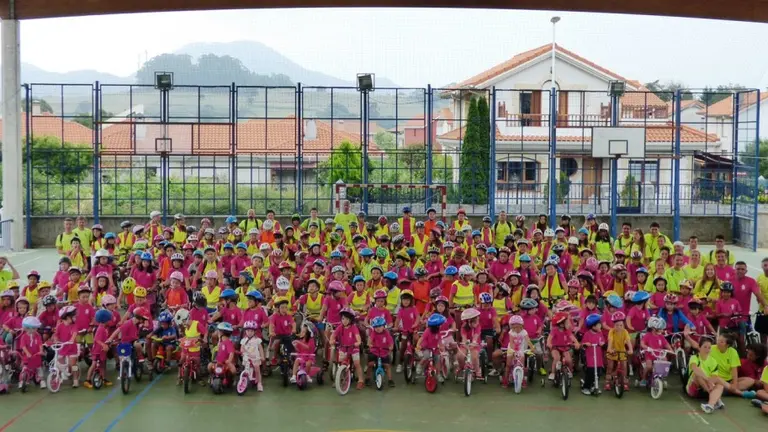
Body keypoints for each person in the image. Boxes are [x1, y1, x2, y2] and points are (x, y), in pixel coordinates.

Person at [709, 333, 756, 399]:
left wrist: (734, 384)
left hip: (728, 380)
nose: (718, 343)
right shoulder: (711, 349)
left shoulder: (733, 352)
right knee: (717, 379)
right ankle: (740, 393)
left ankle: (727, 390)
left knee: (751, 381)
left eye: (721, 342)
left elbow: (734, 370)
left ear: (727, 345)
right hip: (716, 379)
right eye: (718, 340)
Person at [687, 337, 726, 414]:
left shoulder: (713, 361)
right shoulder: (694, 357)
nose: (707, 349)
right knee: (698, 374)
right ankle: (717, 399)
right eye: (705, 347)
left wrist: (710, 382)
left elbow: (714, 377)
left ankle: (710, 405)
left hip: (707, 388)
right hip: (694, 389)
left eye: (709, 347)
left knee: (720, 385)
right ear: (699, 347)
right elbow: (695, 369)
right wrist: (708, 380)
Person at [367, 315, 395, 387]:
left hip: (384, 351)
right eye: (376, 327)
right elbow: (370, 340)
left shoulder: (386, 333)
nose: (378, 328)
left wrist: (391, 347)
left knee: (387, 365)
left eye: (380, 326)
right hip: (374, 351)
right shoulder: (373, 332)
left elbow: (390, 342)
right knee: (370, 364)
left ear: (384, 326)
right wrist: (370, 344)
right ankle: (368, 378)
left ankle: (390, 379)